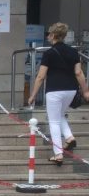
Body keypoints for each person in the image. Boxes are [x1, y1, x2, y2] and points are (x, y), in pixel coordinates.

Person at [28, 22, 89, 165]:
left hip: (54, 90)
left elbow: (40, 76)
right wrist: (85, 90)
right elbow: (78, 72)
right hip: (71, 90)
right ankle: (69, 137)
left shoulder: (49, 53)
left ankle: (58, 154)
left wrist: (33, 95)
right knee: (60, 115)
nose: (47, 36)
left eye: (49, 34)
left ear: (53, 35)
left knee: (53, 121)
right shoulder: (73, 52)